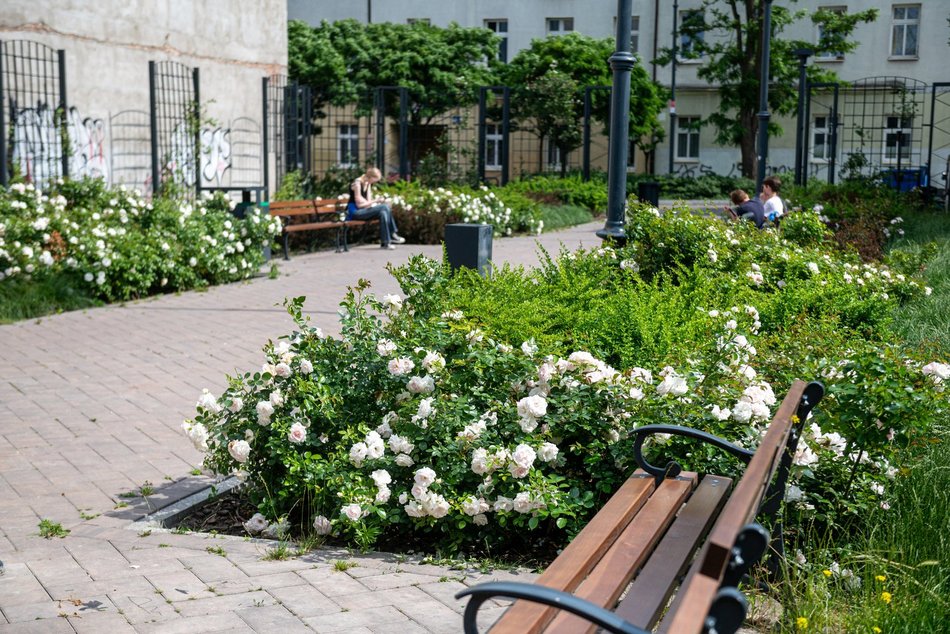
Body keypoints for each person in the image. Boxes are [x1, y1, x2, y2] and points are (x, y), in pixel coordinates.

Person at [346, 167, 405, 249]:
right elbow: (359, 205)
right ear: (370, 177)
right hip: (355, 213)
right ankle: (392, 234)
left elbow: (368, 203)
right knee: (384, 207)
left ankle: (386, 243)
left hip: (364, 210)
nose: (376, 182)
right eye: (375, 179)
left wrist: (376, 202)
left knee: (383, 213)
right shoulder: (357, 183)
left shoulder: (368, 184)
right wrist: (375, 201)